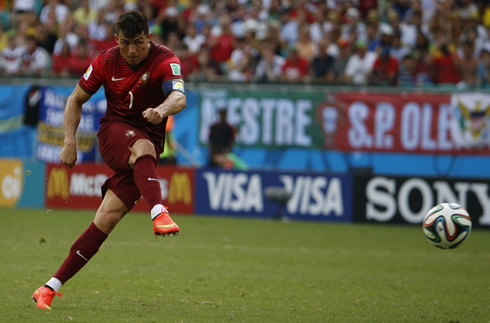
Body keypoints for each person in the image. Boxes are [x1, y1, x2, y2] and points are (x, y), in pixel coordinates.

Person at [32, 10, 186, 310]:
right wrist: (69, 141)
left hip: (147, 146)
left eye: (139, 43)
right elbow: (75, 99)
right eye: (126, 43)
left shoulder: (166, 60)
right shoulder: (106, 60)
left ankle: (49, 287)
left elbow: (179, 97)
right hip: (115, 133)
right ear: (117, 40)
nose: (132, 50)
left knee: (106, 220)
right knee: (143, 147)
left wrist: (162, 110)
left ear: (149, 38)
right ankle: (158, 210)